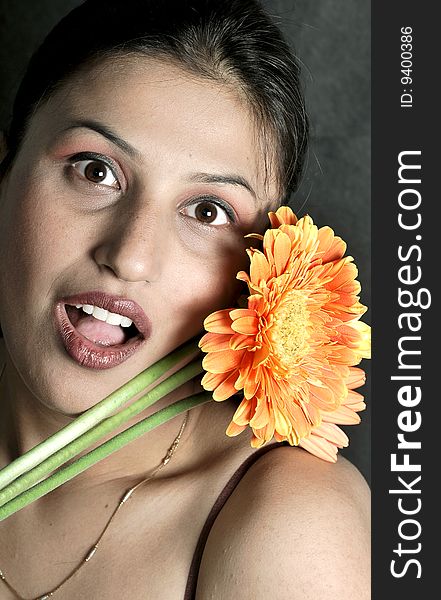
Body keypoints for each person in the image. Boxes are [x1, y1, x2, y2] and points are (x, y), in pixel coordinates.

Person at [0, 0, 370, 598]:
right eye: (96, 171)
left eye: (206, 211)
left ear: (260, 269)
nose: (131, 256)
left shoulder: (287, 524)